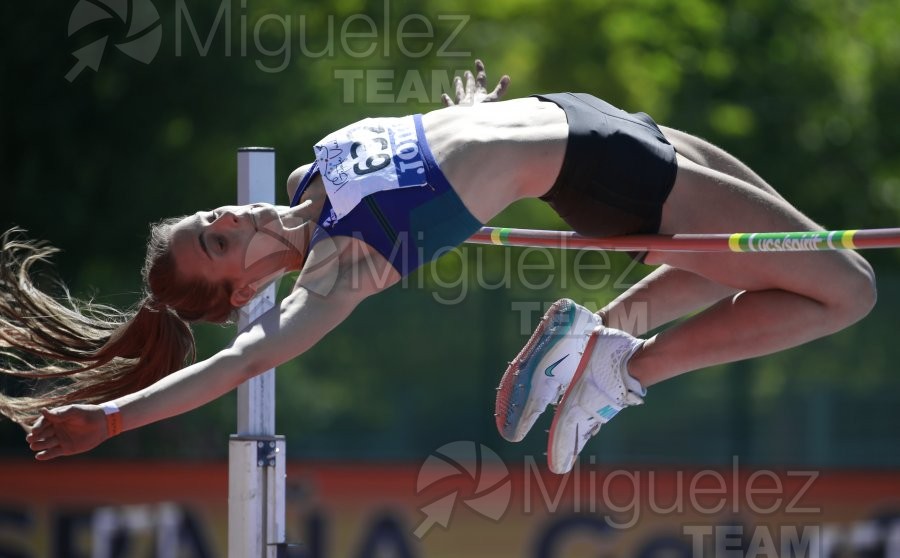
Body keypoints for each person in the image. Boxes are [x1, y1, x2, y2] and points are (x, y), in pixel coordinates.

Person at [8, 61, 876, 474]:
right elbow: (240, 362)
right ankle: (624, 364)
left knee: (749, 265)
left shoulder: (313, 171)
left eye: (212, 217)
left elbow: (438, 148)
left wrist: (468, 112)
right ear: (243, 290)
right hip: (601, 169)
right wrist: (115, 418)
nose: (231, 216)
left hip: (591, 115)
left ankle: (604, 341)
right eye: (222, 240)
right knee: (846, 289)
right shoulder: (338, 270)